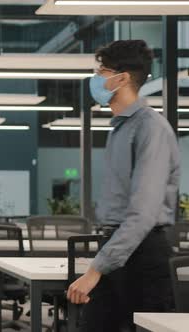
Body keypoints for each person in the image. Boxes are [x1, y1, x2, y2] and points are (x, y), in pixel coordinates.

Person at [67, 40, 180, 331]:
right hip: (116, 248)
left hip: (143, 254)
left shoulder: (150, 128)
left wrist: (95, 271)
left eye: (102, 72)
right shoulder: (119, 129)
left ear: (123, 78)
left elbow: (142, 213)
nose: (96, 79)